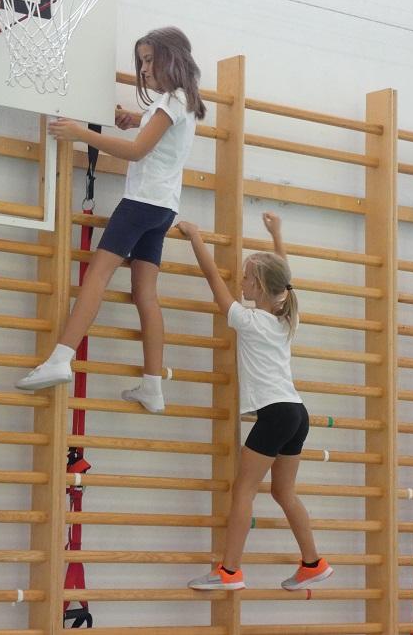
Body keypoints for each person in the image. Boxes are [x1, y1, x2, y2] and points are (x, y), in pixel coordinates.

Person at [15, 26, 206, 414]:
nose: (144, 69)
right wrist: (134, 118)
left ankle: (60, 358)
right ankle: (152, 385)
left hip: (140, 204)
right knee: (145, 294)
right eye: (142, 61)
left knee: (97, 276)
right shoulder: (180, 101)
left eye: (149, 60)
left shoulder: (170, 102)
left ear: (171, 59)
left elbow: (136, 152)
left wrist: (79, 133)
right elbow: (156, 133)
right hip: (163, 208)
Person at [180, 212, 332, 591]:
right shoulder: (285, 321)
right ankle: (312, 563)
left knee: (244, 489)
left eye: (247, 278)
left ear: (261, 287)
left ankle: (229, 571)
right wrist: (277, 234)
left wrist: (195, 237)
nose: (241, 281)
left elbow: (212, 279)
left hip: (277, 414)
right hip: (296, 413)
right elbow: (285, 277)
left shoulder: (249, 321)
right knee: (283, 492)